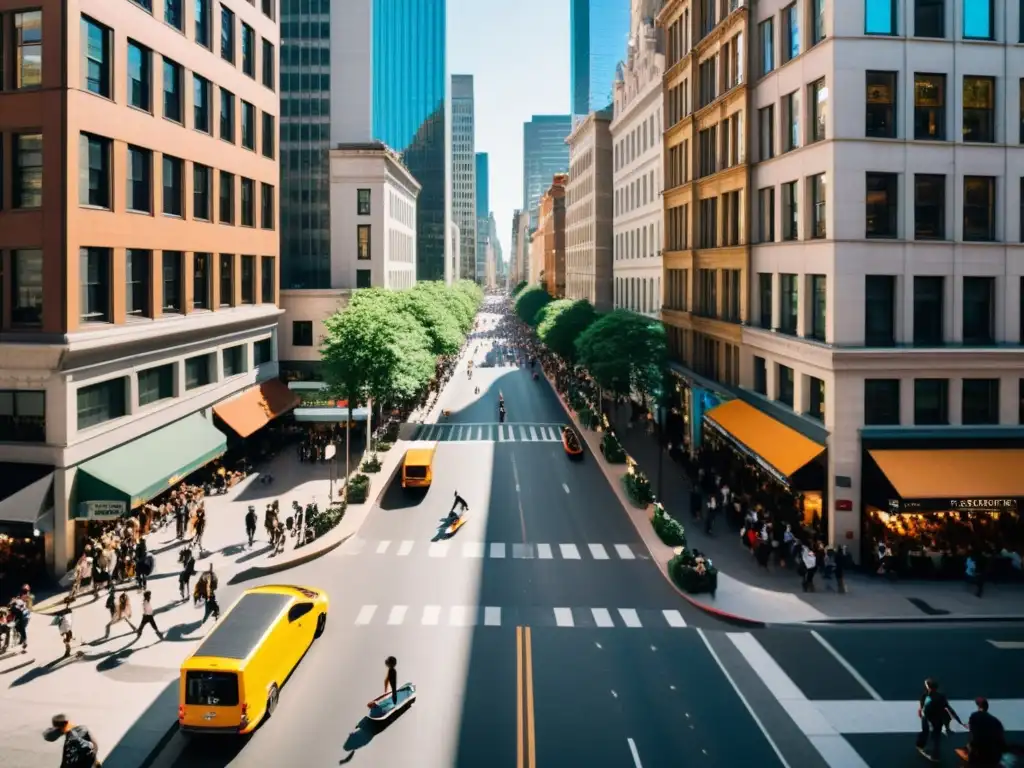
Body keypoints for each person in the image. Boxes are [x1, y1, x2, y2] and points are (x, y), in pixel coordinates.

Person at [917, 678, 964, 762]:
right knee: (936, 737)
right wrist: (959, 721)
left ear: (929, 687)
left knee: (926, 732)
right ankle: (935, 755)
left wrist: (921, 711)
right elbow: (949, 708)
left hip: (929, 719)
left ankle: (922, 746)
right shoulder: (941, 696)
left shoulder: (925, 696)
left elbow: (923, 707)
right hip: (938, 720)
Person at [966, 697, 1006, 766]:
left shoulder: (975, 716)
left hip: (979, 753)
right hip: (993, 755)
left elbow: (973, 734)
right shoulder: (996, 721)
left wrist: (971, 746)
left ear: (978, 706)